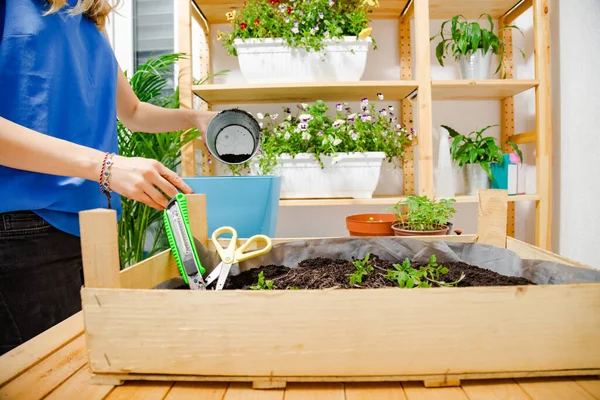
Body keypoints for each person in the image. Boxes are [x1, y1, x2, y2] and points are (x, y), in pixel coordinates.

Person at [0, 0, 216, 355]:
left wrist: (194, 119)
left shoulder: (88, 18)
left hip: (90, 228)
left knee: (90, 367)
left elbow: (132, 111)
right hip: (22, 225)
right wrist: (105, 166)